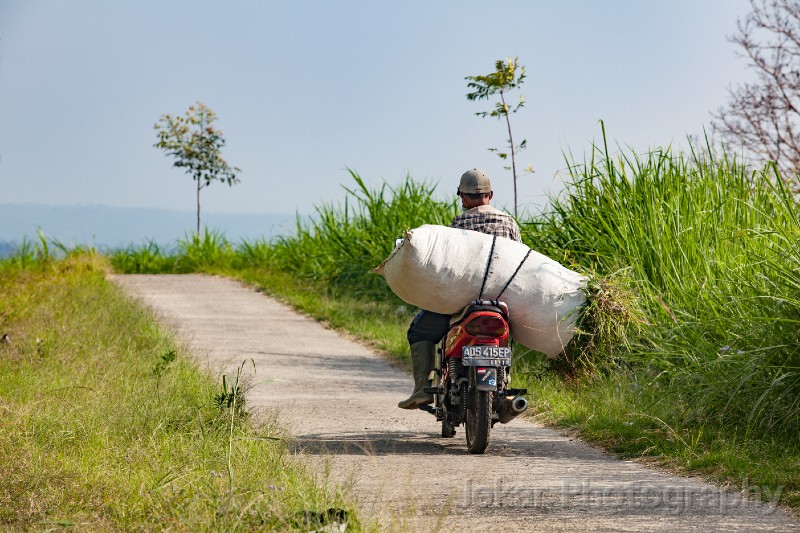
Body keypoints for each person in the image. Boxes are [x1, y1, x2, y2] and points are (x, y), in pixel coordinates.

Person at [398, 168, 522, 409]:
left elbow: (449, 265)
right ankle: (505, 384)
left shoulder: (459, 223)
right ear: (491, 194)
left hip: (462, 303)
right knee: (508, 336)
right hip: (501, 302)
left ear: (462, 197)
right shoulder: (509, 223)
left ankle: (422, 388)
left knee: (418, 331)